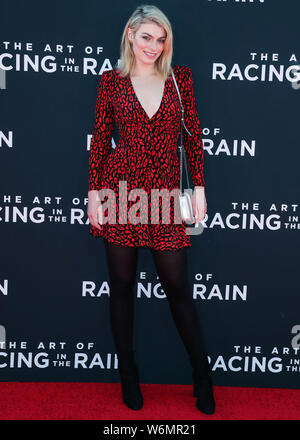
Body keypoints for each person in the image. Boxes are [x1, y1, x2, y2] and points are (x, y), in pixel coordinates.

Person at [87, 4, 215, 414]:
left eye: (161, 40)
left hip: (162, 196)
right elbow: (101, 140)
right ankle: (128, 374)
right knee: (121, 288)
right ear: (130, 35)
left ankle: (201, 373)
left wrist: (199, 187)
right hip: (120, 192)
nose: (154, 46)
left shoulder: (180, 80)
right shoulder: (111, 82)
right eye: (147, 37)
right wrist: (93, 194)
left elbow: (193, 137)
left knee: (178, 289)